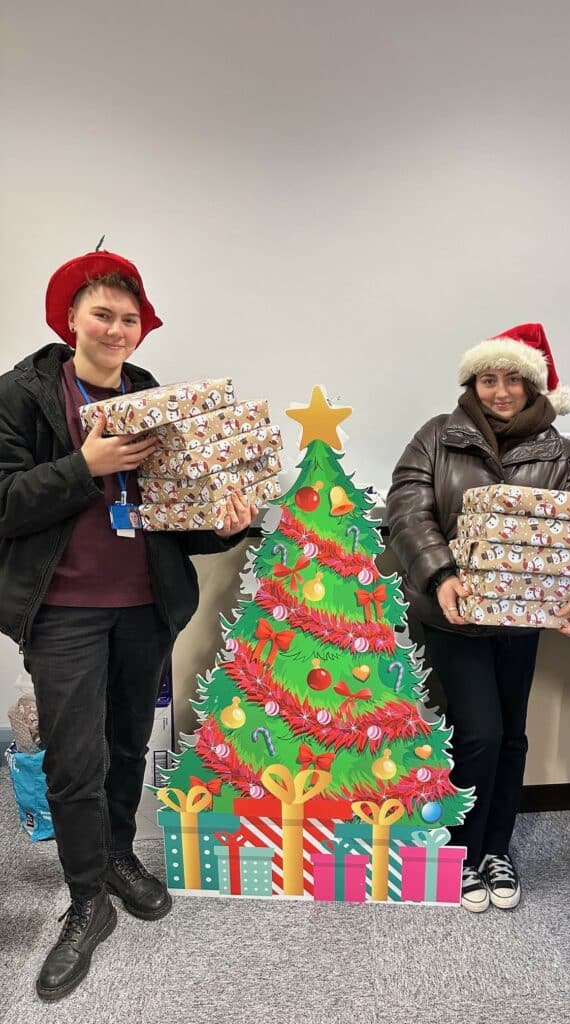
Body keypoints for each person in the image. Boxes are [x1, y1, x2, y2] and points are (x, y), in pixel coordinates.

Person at [0, 249, 255, 1000]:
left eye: (129, 318)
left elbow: (185, 524)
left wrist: (228, 522)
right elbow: (6, 502)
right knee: (72, 759)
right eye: (102, 314)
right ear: (71, 318)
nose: (116, 328)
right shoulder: (23, 395)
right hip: (63, 610)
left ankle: (114, 854)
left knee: (121, 744)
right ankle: (85, 902)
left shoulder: (158, 400)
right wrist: (86, 463)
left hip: (146, 606)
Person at [386, 323, 570, 913]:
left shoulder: (559, 452)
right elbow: (409, 508)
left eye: (512, 379)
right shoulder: (437, 437)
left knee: (511, 735)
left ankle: (497, 849)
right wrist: (442, 574)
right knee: (479, 733)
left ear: (532, 385)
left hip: (522, 621)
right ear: (473, 381)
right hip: (453, 617)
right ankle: (462, 851)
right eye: (489, 378)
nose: (500, 391)